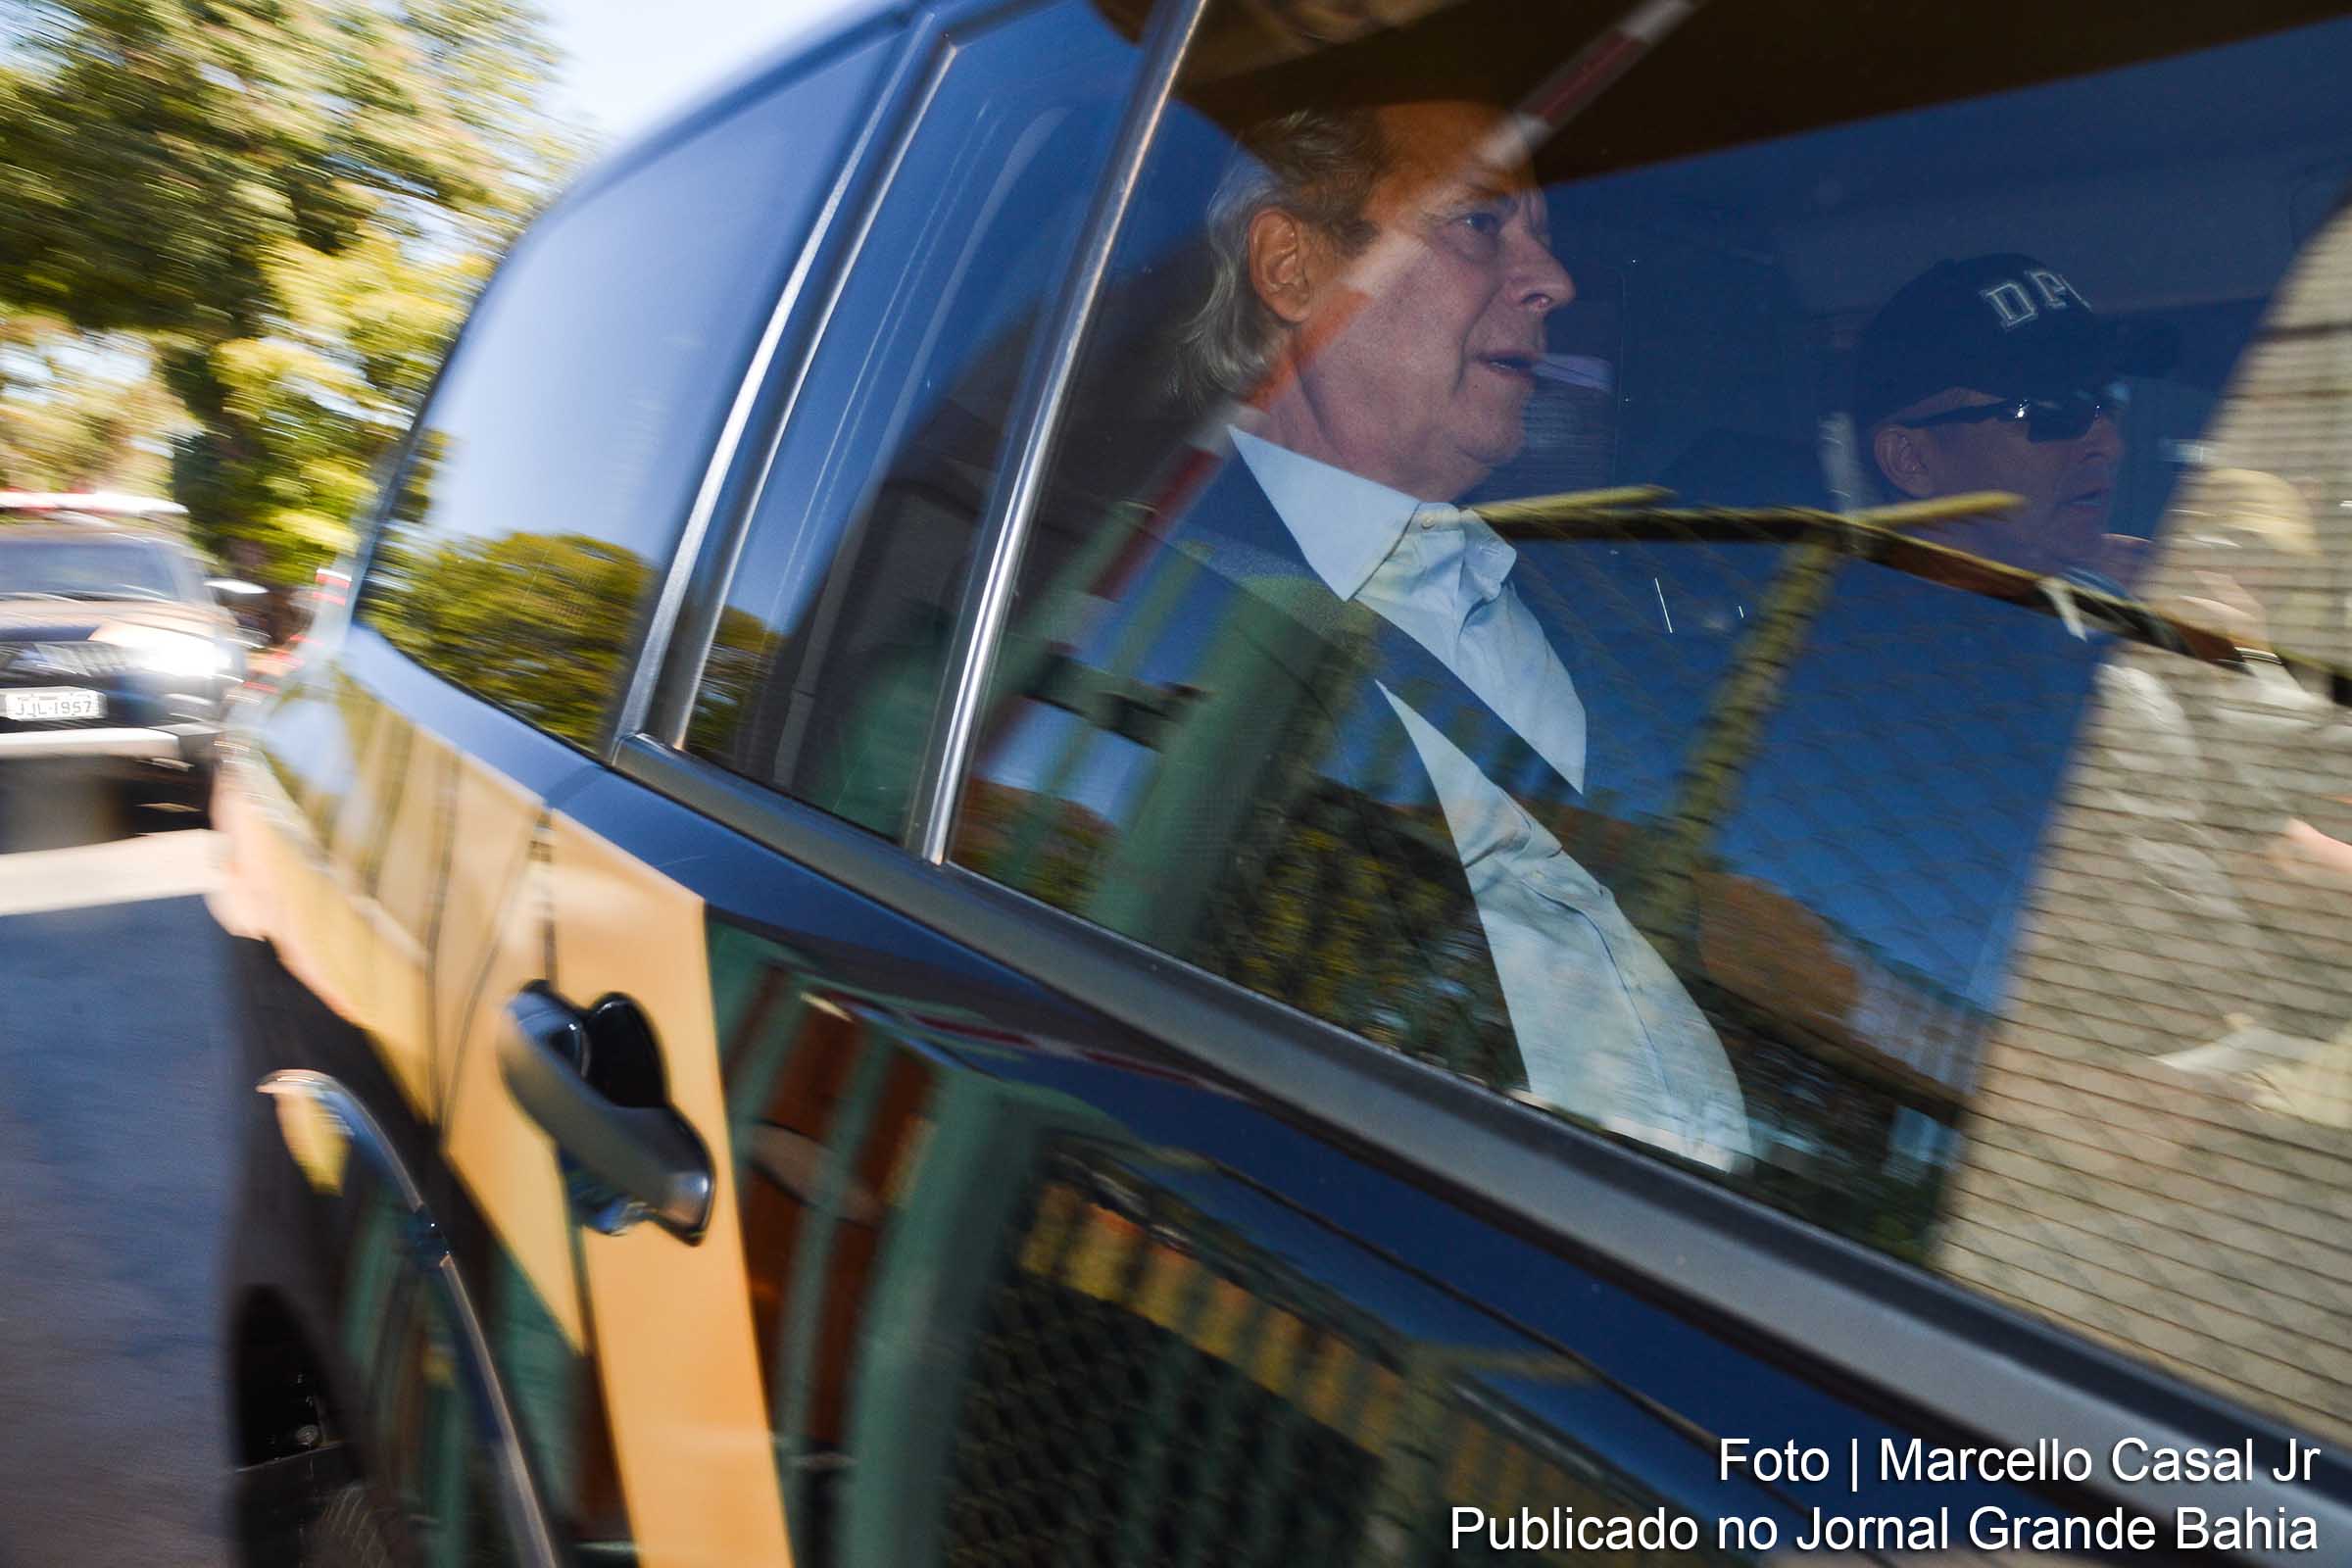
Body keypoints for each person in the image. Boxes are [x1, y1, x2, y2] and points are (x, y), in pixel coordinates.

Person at [1158, 99, 1753, 1170]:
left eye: (1546, 238)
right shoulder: (1157, 600)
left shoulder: (1609, 605)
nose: (1555, 281)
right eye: (1481, 223)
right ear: (1293, 268)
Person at [1852, 253, 2171, 587]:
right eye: (2054, 410)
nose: (2112, 445)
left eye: (2110, 402)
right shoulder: (1841, 616)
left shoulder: (2113, 602)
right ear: (1910, 460)